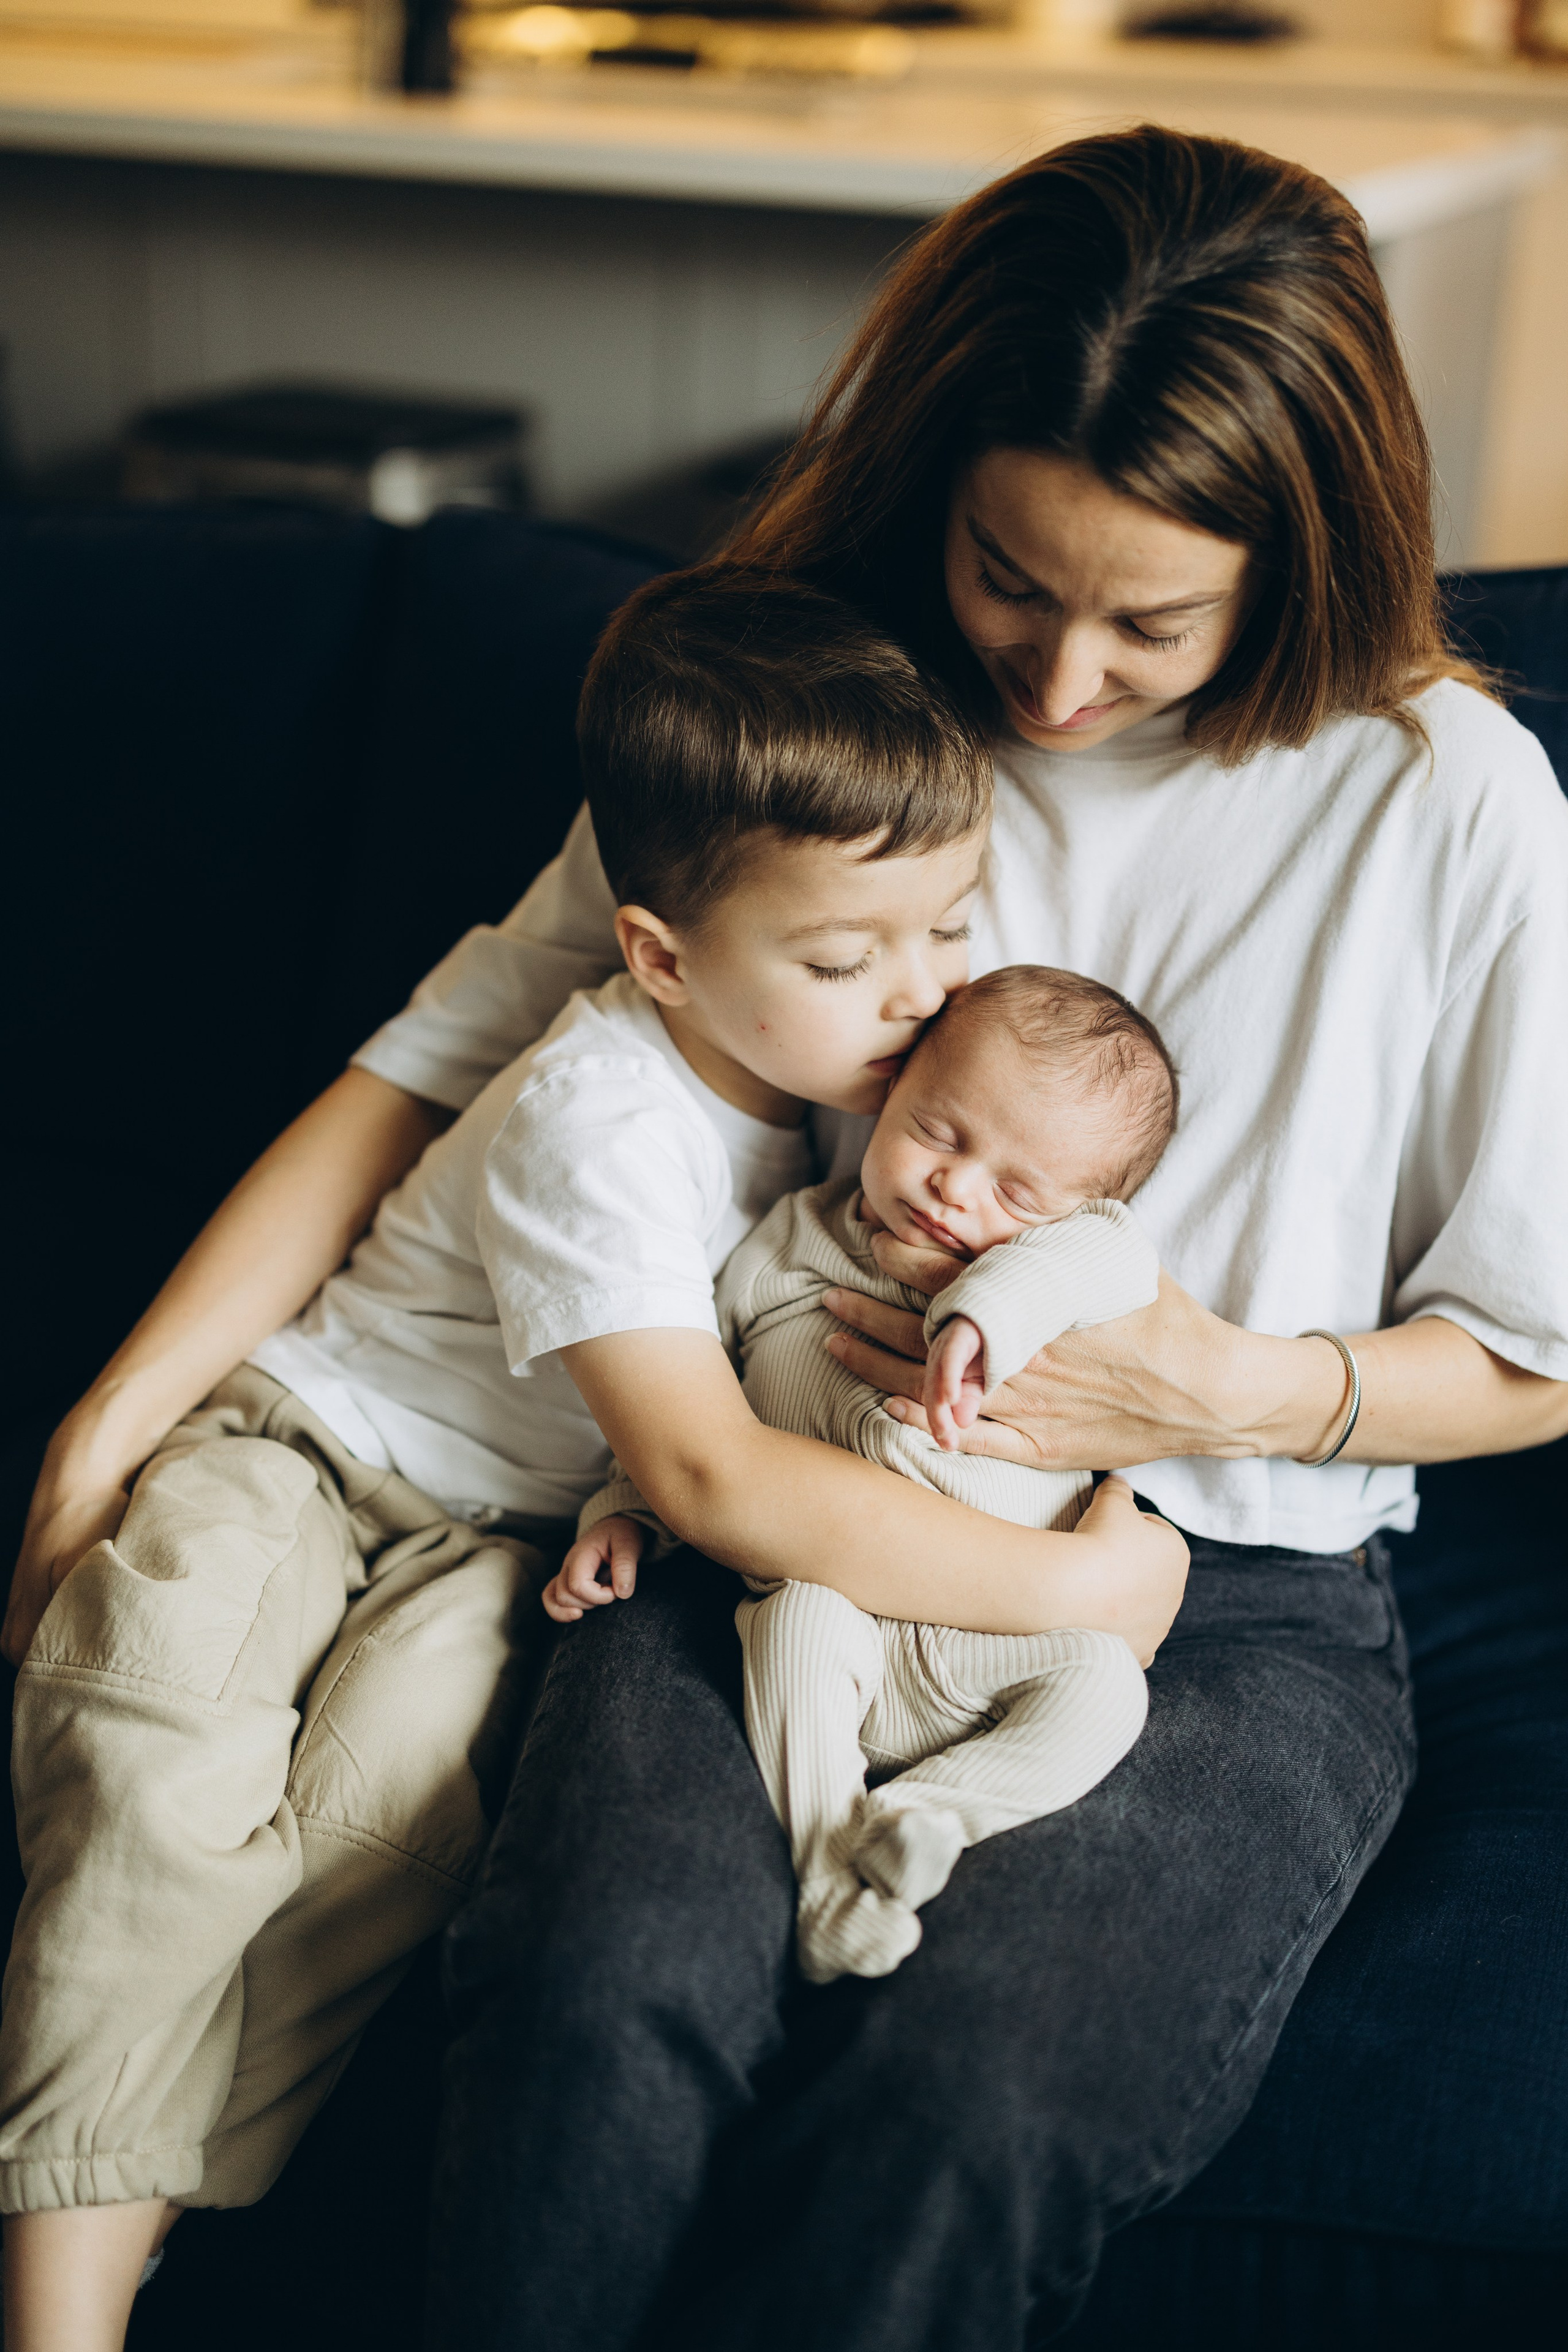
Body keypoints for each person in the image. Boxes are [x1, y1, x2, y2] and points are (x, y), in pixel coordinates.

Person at [7, 121, 1567, 2351]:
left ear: (1299, 557)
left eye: (1152, 618)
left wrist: (1235, 1391)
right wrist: (120, 1418)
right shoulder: (821, 709)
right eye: (1014, 578)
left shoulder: (1450, 803)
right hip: (784, 1505)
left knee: (972, 2107)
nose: (1049, 684)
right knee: (581, 2006)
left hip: (1226, 1582)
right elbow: (431, 1067)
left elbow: (1540, 1342)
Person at [0, 572, 1183, 2352]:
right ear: (658, 953)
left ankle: (141, 2190)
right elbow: (713, 1470)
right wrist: (1082, 1590)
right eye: (852, 959)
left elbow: (1067, 1246)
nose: (921, 993)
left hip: (500, 1536)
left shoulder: (857, 1095)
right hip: (322, 1441)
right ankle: (61, 2308)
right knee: (159, 1762)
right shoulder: (600, 1112)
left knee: (385, 1827)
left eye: (948, 928)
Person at [551, 964, 1178, 1984]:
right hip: (834, 1613)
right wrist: (625, 1509)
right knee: (797, 1620)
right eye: (938, 1132)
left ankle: (918, 1821)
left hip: (999, 1647)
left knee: (1104, 1686)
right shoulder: (785, 1245)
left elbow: (1112, 1254)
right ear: (891, 1098)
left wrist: (989, 1310)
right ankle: (832, 1878)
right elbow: (683, 1401)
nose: (955, 1187)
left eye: (1018, 1192)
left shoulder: (1071, 1274)